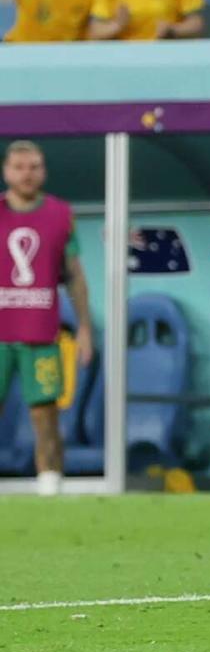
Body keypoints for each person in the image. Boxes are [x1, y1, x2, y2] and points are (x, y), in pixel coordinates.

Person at [0, 140, 93, 496]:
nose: (27, 173)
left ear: (44, 171)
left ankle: (50, 484)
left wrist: (84, 327)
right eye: (20, 167)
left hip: (39, 331)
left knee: (45, 411)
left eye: (34, 166)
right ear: (7, 171)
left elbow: (74, 274)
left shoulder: (59, 215)